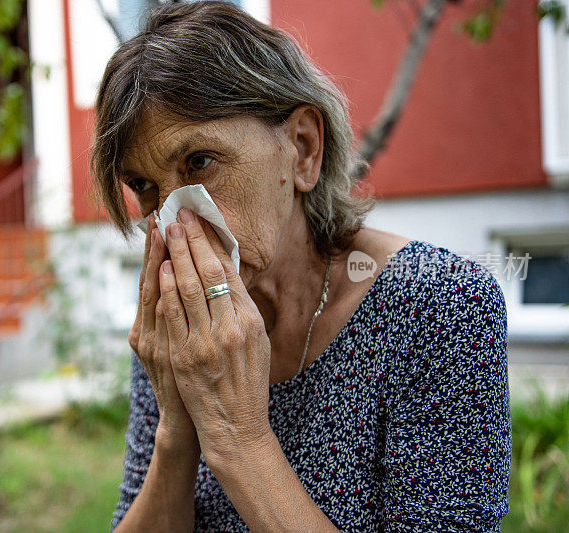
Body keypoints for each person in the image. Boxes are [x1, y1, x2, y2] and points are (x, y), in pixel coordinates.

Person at [91, 2, 511, 531]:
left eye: (199, 161)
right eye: (146, 188)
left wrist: (240, 441)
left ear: (303, 149)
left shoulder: (439, 306)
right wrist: (176, 433)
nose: (176, 221)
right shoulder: (183, 314)